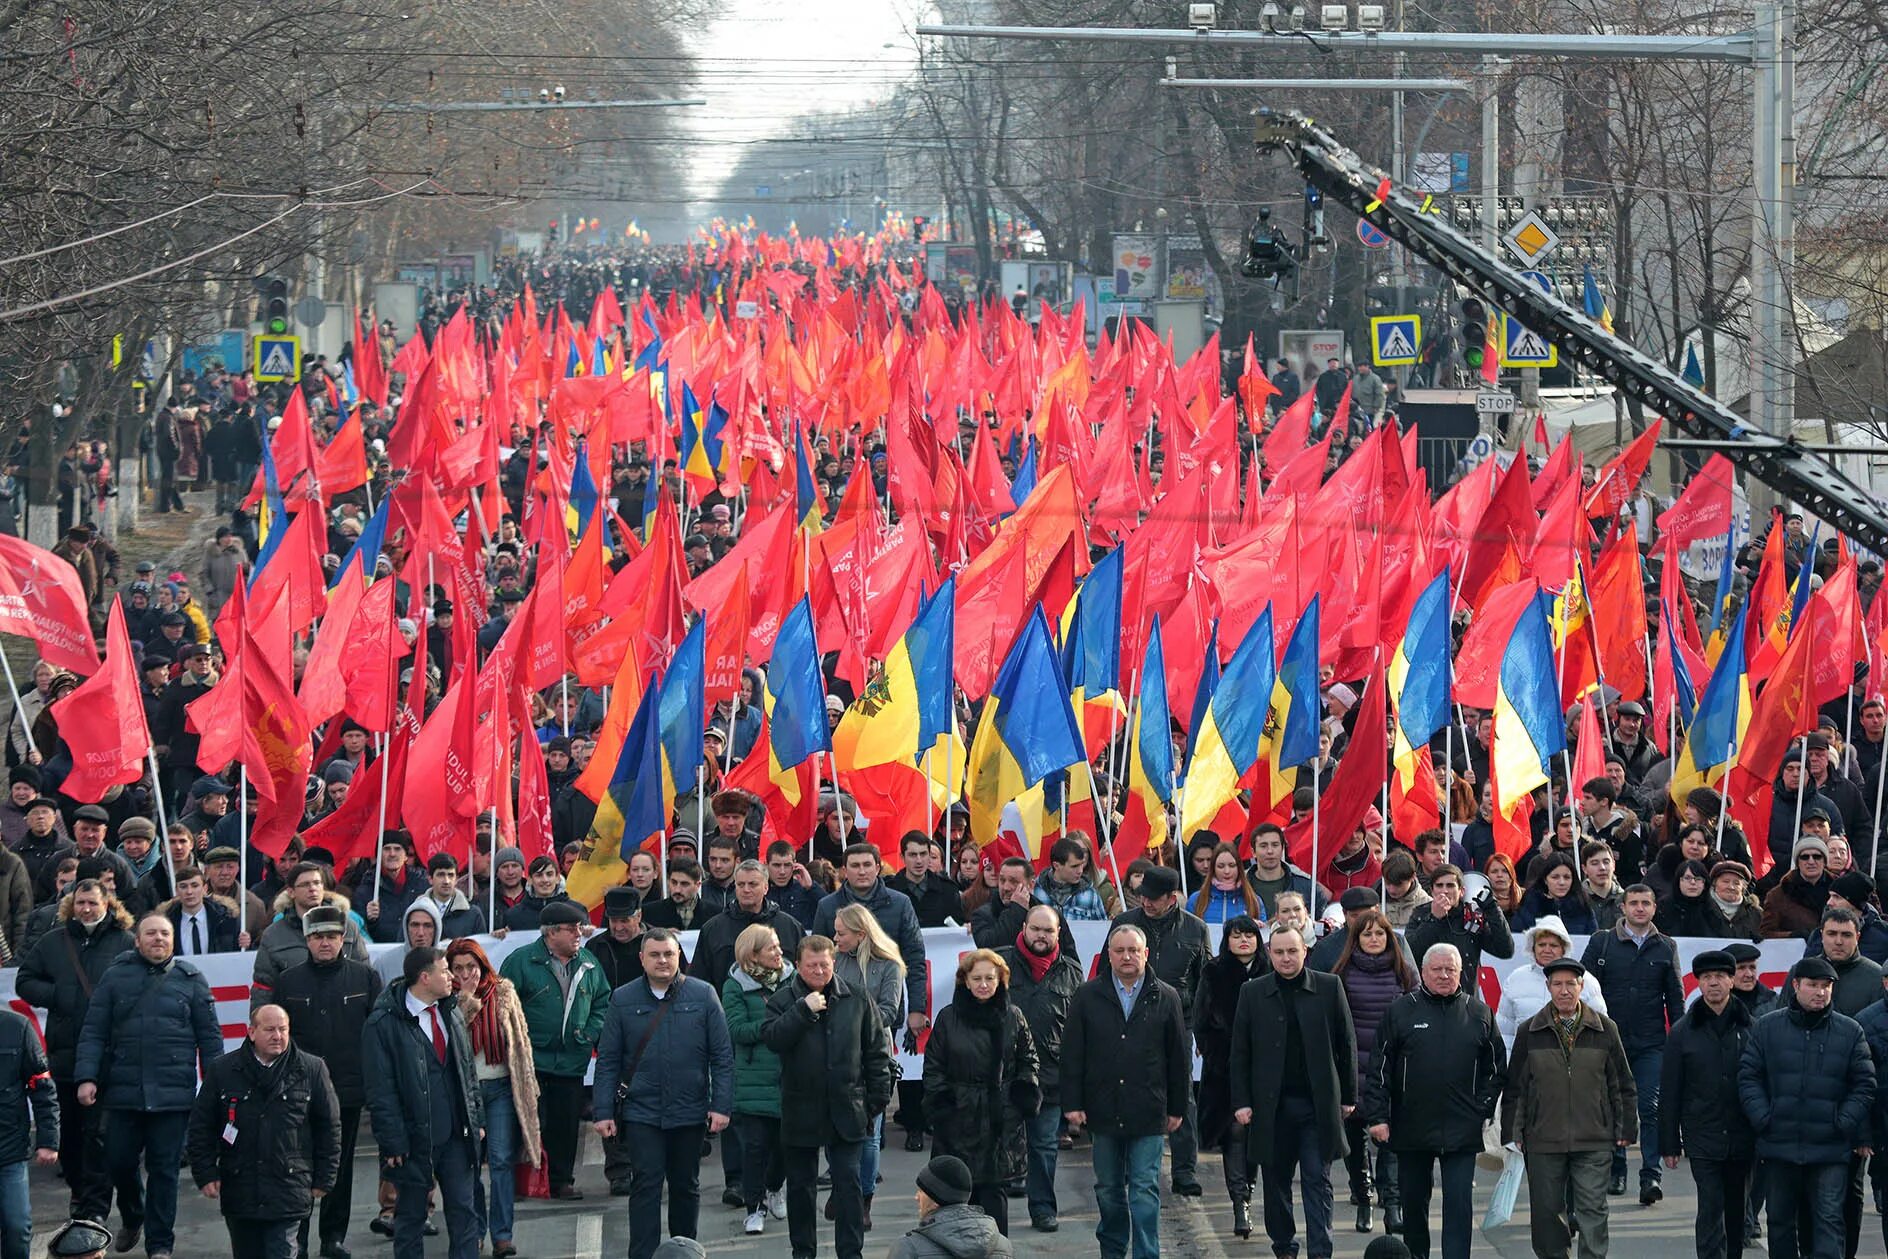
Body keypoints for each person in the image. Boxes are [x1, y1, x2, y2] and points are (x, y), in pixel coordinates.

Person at [72, 912, 222, 1259]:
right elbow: (93, 1032)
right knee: (119, 1162)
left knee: (164, 1172)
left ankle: (160, 1246)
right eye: (151, 934)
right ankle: (134, 1214)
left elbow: (210, 1040)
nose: (158, 939)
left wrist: (215, 1089)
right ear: (137, 940)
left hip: (174, 1097)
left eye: (165, 934)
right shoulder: (115, 978)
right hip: (123, 1095)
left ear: (173, 940)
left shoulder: (192, 979)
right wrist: (86, 1077)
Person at [592, 929, 733, 1259]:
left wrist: (721, 1105)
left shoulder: (704, 995)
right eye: (655, 955)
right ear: (642, 959)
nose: (662, 961)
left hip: (690, 1110)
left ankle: (685, 1253)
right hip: (642, 1112)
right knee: (645, 1186)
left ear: (679, 957)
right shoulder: (623, 999)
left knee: (686, 1186)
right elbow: (609, 1059)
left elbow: (722, 1057)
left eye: (669, 954)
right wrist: (602, 1111)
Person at [1361, 943, 1506, 1259]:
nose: (1443, 975)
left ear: (1460, 972)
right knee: (1414, 1205)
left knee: (1458, 1205)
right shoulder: (1400, 1011)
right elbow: (1379, 1069)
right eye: (1437, 969)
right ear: (1423, 972)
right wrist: (1378, 1117)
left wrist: (1481, 1108)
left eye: (1450, 969)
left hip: (1462, 1131)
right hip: (1410, 1128)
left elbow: (1496, 1070)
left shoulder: (1479, 1013)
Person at [761, 934, 896, 1259]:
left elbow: (877, 1053)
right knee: (801, 1188)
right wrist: (802, 1011)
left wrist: (875, 1103)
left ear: (834, 963)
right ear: (798, 966)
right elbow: (773, 1039)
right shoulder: (783, 1000)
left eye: (825, 964)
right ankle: (803, 1252)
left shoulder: (857, 997)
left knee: (848, 1185)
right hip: (801, 1109)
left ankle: (851, 1252)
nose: (819, 971)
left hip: (848, 1108)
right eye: (812, 966)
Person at [1062, 923, 1190, 1259]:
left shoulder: (1166, 996)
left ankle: (1146, 1254)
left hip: (1148, 1110)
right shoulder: (1088, 995)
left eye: (1134, 950)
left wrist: (1177, 1107)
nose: (1127, 956)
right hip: (1102, 1110)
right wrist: (1072, 1103)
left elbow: (1178, 1058)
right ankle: (1113, 1250)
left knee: (1144, 1190)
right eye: (1119, 950)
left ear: (1146, 953)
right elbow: (1073, 1053)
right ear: (1109, 954)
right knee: (1108, 1189)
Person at [1230, 925, 1357, 1259]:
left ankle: (1320, 1251)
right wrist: (1241, 1101)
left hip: (1317, 1107)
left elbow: (1346, 1044)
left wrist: (1348, 1097)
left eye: (1292, 951)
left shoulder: (1330, 987)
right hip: (1272, 1108)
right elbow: (1240, 1051)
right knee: (1276, 1184)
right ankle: (1284, 1247)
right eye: (1279, 952)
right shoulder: (1252, 992)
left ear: (1305, 952)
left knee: (1318, 1180)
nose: (1286, 958)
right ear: (1269, 954)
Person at [1739, 955, 1876, 1259]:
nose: (1820, 992)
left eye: (1826, 986)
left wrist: (1841, 1122)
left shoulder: (1850, 1032)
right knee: (1780, 1223)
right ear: (1796, 986)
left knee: (1829, 1221)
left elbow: (1864, 1085)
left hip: (1829, 1148)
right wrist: (1764, 1117)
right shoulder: (1767, 1028)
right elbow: (1749, 1077)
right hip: (1779, 1144)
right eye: (1813, 985)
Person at [1502, 958, 1637, 1259]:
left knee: (1593, 1211)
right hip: (1543, 1139)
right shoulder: (1530, 1031)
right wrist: (1513, 1132)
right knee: (1547, 1214)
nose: (1564, 991)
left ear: (1582, 987)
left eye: (1570, 984)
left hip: (1594, 1137)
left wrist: (1626, 1126)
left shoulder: (1604, 1029)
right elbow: (1516, 1088)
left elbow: (1622, 1083)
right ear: (1548, 987)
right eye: (1557, 984)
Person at [16, 879, 131, 1228]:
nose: (86, 909)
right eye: (80, 903)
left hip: (110, 1056)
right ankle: (81, 1193)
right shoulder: (54, 942)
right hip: (66, 1051)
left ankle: (94, 1205)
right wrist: (60, 997)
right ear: (71, 905)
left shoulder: (124, 941)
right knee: (69, 1133)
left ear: (106, 904)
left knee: (100, 1133)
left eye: (92, 903)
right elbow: (25, 980)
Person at [185, 1004, 342, 1259]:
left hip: (290, 1188)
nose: (277, 1036)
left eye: (283, 1029)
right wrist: (205, 1172)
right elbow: (201, 1127)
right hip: (240, 1189)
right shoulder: (223, 1071)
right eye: (269, 1029)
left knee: (283, 1252)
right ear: (252, 1032)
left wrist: (326, 1177)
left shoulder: (312, 1070)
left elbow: (329, 1127)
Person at [360, 946, 485, 1259]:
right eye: (445, 971)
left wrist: (477, 1120)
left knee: (464, 1213)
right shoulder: (382, 1024)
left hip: (457, 1135)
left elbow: (467, 1071)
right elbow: (380, 1090)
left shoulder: (451, 1011)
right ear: (425, 977)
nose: (452, 977)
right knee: (410, 1220)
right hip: (413, 1142)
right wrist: (392, 1143)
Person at [271, 904, 380, 1259]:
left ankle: (333, 1237)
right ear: (307, 939)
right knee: (298, 1166)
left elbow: (376, 1037)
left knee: (340, 1168)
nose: (325, 942)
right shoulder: (288, 981)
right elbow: (277, 1039)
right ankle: (296, 1238)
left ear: (343, 938)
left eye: (332, 936)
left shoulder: (364, 978)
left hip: (347, 1090)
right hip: (299, 1091)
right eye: (318, 936)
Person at [921, 949, 1040, 1236]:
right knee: (957, 1197)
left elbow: (1029, 1060)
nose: (984, 984)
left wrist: (1022, 1097)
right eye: (977, 978)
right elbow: (934, 1067)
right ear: (965, 980)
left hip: (1001, 1117)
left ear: (1001, 980)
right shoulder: (948, 1018)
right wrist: (943, 1105)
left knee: (994, 1195)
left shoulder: (1013, 1016)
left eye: (990, 978)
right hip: (958, 1116)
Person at [1580, 882, 1686, 1203]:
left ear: (1654, 908)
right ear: (1623, 908)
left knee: (1649, 1108)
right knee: (1614, 1106)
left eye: (1646, 903)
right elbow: (1582, 987)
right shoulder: (1602, 942)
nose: (1640, 908)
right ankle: (1617, 1169)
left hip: (1651, 1042)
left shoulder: (1665, 947)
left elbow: (1676, 999)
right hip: (1610, 1040)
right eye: (1634, 903)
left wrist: (1680, 1042)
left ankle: (1650, 1177)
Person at [1109, 864, 1210, 1195]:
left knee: (1183, 1096)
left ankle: (1184, 1170)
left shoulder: (1195, 929)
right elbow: (1103, 974)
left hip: (1180, 1020)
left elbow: (1205, 981)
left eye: (1154, 899)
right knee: (1126, 1090)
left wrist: (1200, 1027)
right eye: (1143, 897)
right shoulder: (1124, 924)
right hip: (1130, 1017)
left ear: (1172, 898)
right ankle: (1125, 1165)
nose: (1147, 904)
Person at [499, 899, 610, 1201]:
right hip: (532, 1060)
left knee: (565, 1122)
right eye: (571, 928)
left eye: (579, 927)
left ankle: (561, 1180)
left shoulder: (587, 962)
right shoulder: (521, 961)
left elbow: (602, 1000)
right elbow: (504, 1004)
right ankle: (520, 1180)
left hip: (572, 1058)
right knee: (527, 1121)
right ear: (550, 933)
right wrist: (518, 1041)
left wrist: (589, 1033)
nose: (578, 933)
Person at [1657, 949, 1757, 1259]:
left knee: (1737, 1210)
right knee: (1711, 1207)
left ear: (1731, 981)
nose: (1713, 983)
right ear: (1698, 983)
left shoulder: (1751, 1028)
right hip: (1703, 1135)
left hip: (1743, 1135)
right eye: (1706, 978)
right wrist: (1670, 1144)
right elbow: (1670, 1090)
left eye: (1720, 977)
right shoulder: (1683, 1032)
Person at [444, 940, 539, 1259]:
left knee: (500, 1161)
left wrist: (529, 1088)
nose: (466, 973)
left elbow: (521, 1041)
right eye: (458, 968)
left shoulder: (503, 992)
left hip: (499, 1087)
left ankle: (502, 1235)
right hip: (465, 1092)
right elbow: (453, 1035)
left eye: (471, 966)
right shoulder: (446, 998)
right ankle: (473, 1232)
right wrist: (465, 998)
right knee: (469, 1164)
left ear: (482, 965)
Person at [992, 903, 1082, 1233]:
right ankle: (992, 1212)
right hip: (1006, 1076)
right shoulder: (998, 965)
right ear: (1024, 929)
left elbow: (1079, 1029)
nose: (1041, 936)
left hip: (1051, 1077)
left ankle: (1042, 1207)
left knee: (1044, 1147)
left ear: (1058, 933)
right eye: (1036, 929)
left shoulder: (1072, 972)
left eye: (1048, 930)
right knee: (1000, 1144)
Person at [1330, 906, 1416, 1233]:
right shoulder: (1343, 974)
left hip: (1392, 1071)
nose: (1374, 938)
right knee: (1355, 1143)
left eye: (1380, 933)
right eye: (1367, 933)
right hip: (1354, 1070)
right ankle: (1363, 1198)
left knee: (1390, 1142)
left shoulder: (1404, 973)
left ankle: (1391, 1205)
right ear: (1357, 938)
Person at [811, 843, 929, 1059]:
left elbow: (915, 958)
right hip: (837, 1016)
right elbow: (817, 960)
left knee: (879, 1075)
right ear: (844, 870)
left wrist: (917, 1008)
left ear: (878, 867)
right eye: (855, 865)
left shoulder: (900, 904)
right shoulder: (827, 906)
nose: (862, 871)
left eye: (867, 864)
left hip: (884, 1010)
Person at [831, 901, 906, 1228]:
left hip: (874, 1054)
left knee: (869, 1134)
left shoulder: (889, 965)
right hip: (838, 1054)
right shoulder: (835, 961)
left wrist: (855, 1024)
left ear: (861, 934)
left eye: (841, 933)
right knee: (835, 1127)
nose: (835, 939)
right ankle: (841, 1187)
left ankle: (863, 1199)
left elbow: (890, 1011)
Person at [1194, 914, 1268, 1239]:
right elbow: (1201, 1018)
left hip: (1265, 1068)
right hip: (1224, 1067)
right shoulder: (1214, 970)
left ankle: (1247, 1190)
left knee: (1254, 1134)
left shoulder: (1270, 968)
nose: (1243, 941)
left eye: (1249, 935)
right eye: (1237, 935)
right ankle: (1241, 1201)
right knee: (1234, 1131)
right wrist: (1212, 1050)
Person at [723, 924, 792, 1235]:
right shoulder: (734, 985)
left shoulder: (793, 980)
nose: (779, 952)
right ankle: (754, 1207)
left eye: (778, 946)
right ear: (753, 955)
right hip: (751, 1082)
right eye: (771, 948)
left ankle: (775, 1187)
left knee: (785, 1146)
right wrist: (774, 1029)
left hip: (789, 1078)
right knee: (754, 1148)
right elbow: (736, 1029)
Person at [250, 861, 369, 1007]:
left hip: (343, 1015)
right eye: (305, 884)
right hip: (296, 1018)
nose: (312, 888)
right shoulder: (274, 935)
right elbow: (263, 989)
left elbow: (364, 977)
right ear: (291, 892)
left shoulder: (348, 926)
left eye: (317, 883)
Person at [690, 858, 805, 997]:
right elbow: (699, 980)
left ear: (766, 887)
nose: (746, 890)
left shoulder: (790, 927)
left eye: (752, 884)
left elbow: (803, 973)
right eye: (741, 884)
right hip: (728, 1011)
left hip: (782, 1012)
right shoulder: (713, 928)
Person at [1496, 916, 1609, 1050]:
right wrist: (1508, 1065)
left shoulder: (1586, 981)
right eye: (1542, 945)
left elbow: (1601, 1030)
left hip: (1572, 1067)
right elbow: (1505, 1032)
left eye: (1553, 945)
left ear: (1564, 948)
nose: (1547, 950)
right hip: (1525, 1065)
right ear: (1533, 947)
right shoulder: (1515, 979)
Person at [0, 999, 58, 1259]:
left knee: (16, 1227)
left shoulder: (17, 1027)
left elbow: (42, 1088)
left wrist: (48, 1140)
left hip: (9, 1151)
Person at [886, 1155, 1015, 1259]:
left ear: (935, 1199)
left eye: (921, 1191)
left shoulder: (908, 1248)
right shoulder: (1003, 1246)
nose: (916, 1197)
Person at [1405, 863, 1513, 985]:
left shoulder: (1472, 917)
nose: (1444, 891)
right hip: (1428, 997)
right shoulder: (1420, 914)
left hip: (1464, 996)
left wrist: (1493, 910)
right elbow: (1409, 955)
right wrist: (1434, 919)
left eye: (1450, 886)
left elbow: (1505, 950)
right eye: (1439, 886)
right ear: (1432, 891)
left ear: (1461, 891)